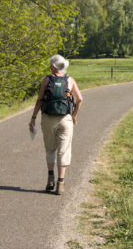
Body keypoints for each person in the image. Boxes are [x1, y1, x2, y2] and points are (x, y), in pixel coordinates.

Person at [29, 54, 83, 195]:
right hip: (65, 119)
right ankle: (61, 182)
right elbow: (80, 99)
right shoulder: (70, 80)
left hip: (48, 119)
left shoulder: (47, 80)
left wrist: (33, 117)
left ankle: (50, 178)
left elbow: (40, 100)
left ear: (53, 66)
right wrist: (74, 116)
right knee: (63, 150)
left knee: (50, 149)